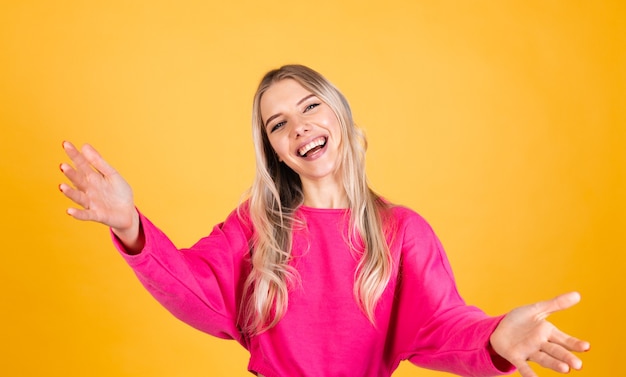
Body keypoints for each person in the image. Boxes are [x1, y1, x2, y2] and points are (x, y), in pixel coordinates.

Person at [59, 64, 589, 377]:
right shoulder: (257, 226)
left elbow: (438, 327)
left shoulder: (403, 231)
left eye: (311, 107)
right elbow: (197, 291)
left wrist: (496, 338)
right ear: (275, 152)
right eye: (278, 124)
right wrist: (130, 225)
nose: (300, 127)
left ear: (338, 115)